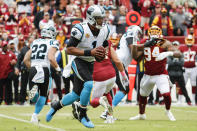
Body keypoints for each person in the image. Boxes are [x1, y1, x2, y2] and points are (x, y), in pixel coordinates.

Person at [46, 5, 109, 128]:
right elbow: (69, 49)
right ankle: (82, 114)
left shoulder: (105, 29)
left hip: (91, 62)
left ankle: (55, 106)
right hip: (78, 60)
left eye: (102, 18)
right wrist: (89, 52)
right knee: (89, 84)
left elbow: (105, 44)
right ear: (91, 18)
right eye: (98, 18)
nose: (101, 21)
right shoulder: (80, 29)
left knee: (75, 94)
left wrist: (103, 53)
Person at [130, 26, 181, 121]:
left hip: (160, 74)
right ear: (149, 33)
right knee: (142, 95)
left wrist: (168, 53)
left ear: (159, 33)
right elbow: (136, 58)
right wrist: (134, 46)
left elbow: (178, 53)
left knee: (166, 94)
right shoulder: (145, 42)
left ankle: (168, 111)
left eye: (155, 31)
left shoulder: (163, 42)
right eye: (152, 31)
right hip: (148, 74)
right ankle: (141, 115)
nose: (154, 33)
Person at [23, 26, 60, 124]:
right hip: (44, 68)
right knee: (43, 95)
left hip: (34, 68)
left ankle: (34, 96)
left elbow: (26, 59)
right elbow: (51, 58)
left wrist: (32, 69)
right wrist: (58, 68)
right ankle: (34, 115)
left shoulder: (35, 42)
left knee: (35, 95)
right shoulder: (53, 42)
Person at [167, 41, 191, 105]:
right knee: (168, 88)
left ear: (178, 46)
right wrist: (177, 62)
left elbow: (182, 63)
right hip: (171, 73)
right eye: (174, 45)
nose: (175, 46)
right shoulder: (169, 53)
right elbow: (169, 63)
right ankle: (165, 100)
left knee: (183, 88)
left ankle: (188, 101)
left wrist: (174, 62)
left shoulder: (181, 53)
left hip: (179, 73)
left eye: (176, 45)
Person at [15, 36, 35, 105]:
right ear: (28, 41)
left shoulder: (36, 49)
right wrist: (17, 68)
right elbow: (19, 59)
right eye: (31, 41)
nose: (32, 42)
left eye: (33, 41)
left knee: (32, 86)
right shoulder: (23, 49)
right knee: (23, 86)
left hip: (33, 70)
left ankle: (32, 101)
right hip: (25, 70)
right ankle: (22, 101)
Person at [179, 35, 197, 105]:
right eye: (188, 40)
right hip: (184, 69)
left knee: (194, 84)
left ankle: (193, 100)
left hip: (193, 68)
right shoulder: (182, 47)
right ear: (186, 40)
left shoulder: (195, 47)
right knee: (182, 85)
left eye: (190, 40)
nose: (189, 42)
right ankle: (180, 100)